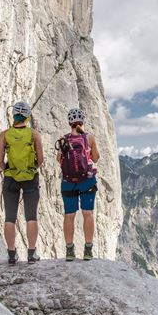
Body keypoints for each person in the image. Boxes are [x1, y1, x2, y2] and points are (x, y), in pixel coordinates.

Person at [0, 101, 44, 265]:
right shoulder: (34, 134)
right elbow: (41, 160)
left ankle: (11, 254)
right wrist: (30, 169)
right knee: (31, 216)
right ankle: (31, 253)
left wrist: (9, 170)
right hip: (30, 178)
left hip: (10, 178)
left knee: (10, 217)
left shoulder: (4, 135)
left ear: (13, 116)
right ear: (27, 116)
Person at [56, 108, 100, 261]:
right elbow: (96, 158)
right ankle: (88, 250)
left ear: (70, 123)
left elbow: (59, 159)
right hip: (87, 180)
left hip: (68, 182)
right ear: (82, 121)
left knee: (69, 216)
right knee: (87, 214)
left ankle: (69, 251)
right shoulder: (89, 138)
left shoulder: (63, 139)